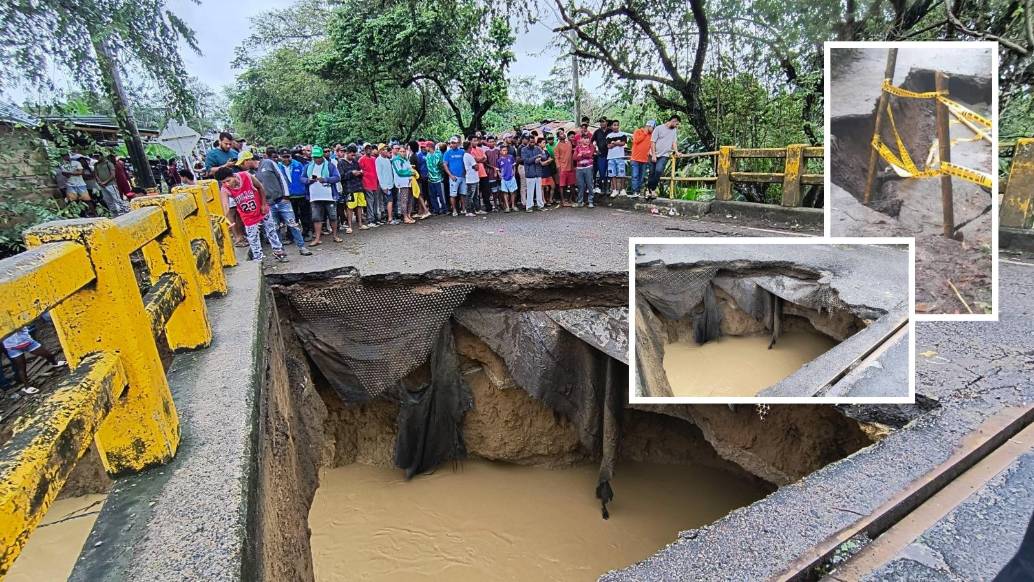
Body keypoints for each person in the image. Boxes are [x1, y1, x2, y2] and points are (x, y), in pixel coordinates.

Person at [243, 149, 311, 255]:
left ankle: (301, 247)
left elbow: (281, 177)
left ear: (248, 160)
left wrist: (286, 195)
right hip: (268, 203)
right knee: (275, 227)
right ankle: (280, 251)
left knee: (292, 224)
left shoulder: (268, 163)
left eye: (243, 163)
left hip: (281, 199)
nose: (243, 166)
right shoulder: (249, 173)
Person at [213, 166, 288, 262]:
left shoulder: (246, 176)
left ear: (234, 176)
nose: (227, 184)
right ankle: (258, 257)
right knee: (253, 237)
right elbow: (225, 205)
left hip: (261, 208)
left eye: (228, 181)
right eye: (223, 182)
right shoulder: (225, 189)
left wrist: (264, 204)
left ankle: (278, 251)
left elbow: (260, 187)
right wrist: (225, 218)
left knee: (271, 230)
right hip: (247, 215)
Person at [2, 327, 65, 396]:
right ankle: (27, 387)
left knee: (48, 354)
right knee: (21, 368)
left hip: (27, 341)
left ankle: (55, 363)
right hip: (12, 347)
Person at [304, 146, 342, 245]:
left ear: (322, 156)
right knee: (316, 218)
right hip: (314, 196)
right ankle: (317, 238)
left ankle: (335, 236)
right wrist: (308, 180)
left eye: (318, 157)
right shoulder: (308, 166)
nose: (316, 159)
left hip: (329, 196)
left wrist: (325, 179)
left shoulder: (330, 165)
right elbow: (302, 178)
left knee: (333, 217)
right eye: (314, 157)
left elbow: (337, 177)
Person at [278, 149, 312, 239]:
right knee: (290, 217)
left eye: (288, 157)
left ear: (291, 156)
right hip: (288, 196)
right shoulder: (278, 167)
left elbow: (305, 177)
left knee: (305, 215)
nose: (286, 159)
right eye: (284, 157)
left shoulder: (298, 164)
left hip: (301, 194)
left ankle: (306, 233)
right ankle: (291, 236)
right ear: (280, 157)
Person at [649, 114, 681, 195]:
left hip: (664, 155)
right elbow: (653, 142)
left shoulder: (674, 130)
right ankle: (649, 191)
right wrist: (653, 155)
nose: (677, 126)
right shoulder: (659, 128)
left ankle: (652, 189)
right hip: (653, 154)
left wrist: (677, 152)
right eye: (676, 124)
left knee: (658, 170)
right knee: (652, 173)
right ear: (673, 121)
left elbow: (674, 142)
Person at [338, 145, 366, 232]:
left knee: (360, 206)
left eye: (354, 155)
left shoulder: (355, 162)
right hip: (349, 188)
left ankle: (360, 224)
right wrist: (351, 173)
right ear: (347, 153)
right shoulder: (341, 163)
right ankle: (349, 226)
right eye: (352, 155)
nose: (353, 156)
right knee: (349, 207)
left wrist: (360, 173)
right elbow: (341, 176)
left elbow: (361, 172)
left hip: (359, 187)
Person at [92, 152, 128, 216]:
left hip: (111, 184)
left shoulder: (108, 163)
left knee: (117, 198)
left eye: (98, 156)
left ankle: (124, 210)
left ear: (102, 156)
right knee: (108, 200)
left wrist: (104, 182)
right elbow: (96, 174)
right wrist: (100, 182)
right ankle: (114, 213)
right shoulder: (96, 165)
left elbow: (113, 175)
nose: (97, 158)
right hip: (102, 185)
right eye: (95, 156)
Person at [631, 120, 656, 198]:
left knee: (641, 177)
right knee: (635, 176)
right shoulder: (638, 131)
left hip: (644, 160)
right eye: (653, 128)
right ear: (649, 126)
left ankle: (638, 191)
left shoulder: (652, 135)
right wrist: (645, 133)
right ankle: (635, 191)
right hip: (635, 158)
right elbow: (636, 141)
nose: (653, 130)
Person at [442, 136, 467, 216]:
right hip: (453, 177)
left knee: (463, 193)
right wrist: (450, 175)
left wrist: (465, 172)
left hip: (462, 176)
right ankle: (454, 210)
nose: (453, 144)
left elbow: (465, 162)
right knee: (453, 195)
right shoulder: (447, 153)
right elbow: (445, 165)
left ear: (458, 143)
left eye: (455, 143)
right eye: (452, 143)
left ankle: (463, 209)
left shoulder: (462, 152)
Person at [358, 144, 382, 227]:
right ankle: (370, 220)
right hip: (367, 183)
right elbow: (359, 171)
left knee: (375, 202)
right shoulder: (361, 159)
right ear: (364, 150)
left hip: (375, 183)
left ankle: (376, 218)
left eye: (369, 148)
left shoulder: (374, 159)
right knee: (370, 202)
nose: (368, 150)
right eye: (366, 148)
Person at [521, 137, 547, 212]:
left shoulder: (538, 148)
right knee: (530, 191)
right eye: (531, 142)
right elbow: (527, 161)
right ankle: (529, 207)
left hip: (538, 172)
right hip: (530, 173)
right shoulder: (524, 150)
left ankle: (540, 206)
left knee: (539, 191)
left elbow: (545, 157)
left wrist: (540, 158)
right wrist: (536, 157)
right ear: (528, 142)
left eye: (533, 142)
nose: (532, 143)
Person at [574, 127, 597, 208]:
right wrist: (581, 156)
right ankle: (580, 201)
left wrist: (581, 155)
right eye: (585, 138)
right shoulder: (577, 148)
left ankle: (590, 201)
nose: (587, 140)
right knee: (580, 186)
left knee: (590, 184)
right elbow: (574, 158)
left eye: (588, 138)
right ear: (581, 139)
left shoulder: (591, 146)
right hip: (579, 169)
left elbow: (590, 155)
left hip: (588, 167)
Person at [606, 120, 628, 198]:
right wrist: (617, 143)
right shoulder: (609, 136)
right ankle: (614, 190)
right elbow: (609, 146)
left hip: (620, 157)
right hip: (611, 157)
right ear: (612, 126)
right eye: (614, 125)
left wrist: (614, 143)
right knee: (612, 174)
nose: (616, 126)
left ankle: (622, 189)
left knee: (622, 173)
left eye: (617, 125)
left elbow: (623, 143)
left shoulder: (623, 134)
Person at [375, 144, 397, 224]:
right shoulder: (378, 160)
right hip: (385, 185)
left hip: (391, 184)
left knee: (390, 201)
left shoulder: (387, 160)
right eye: (383, 149)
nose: (385, 150)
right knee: (389, 201)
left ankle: (388, 216)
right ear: (380, 151)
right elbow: (379, 174)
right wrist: (383, 186)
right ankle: (390, 219)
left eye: (386, 149)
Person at [554, 130, 575, 207]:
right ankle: (563, 201)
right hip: (562, 168)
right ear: (558, 137)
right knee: (562, 185)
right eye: (561, 134)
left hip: (570, 168)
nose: (563, 134)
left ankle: (570, 199)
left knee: (572, 184)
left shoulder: (569, 143)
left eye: (563, 133)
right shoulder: (557, 146)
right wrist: (559, 169)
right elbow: (556, 158)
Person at [424, 142, 446, 214]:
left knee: (441, 195)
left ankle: (444, 209)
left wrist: (441, 175)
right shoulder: (427, 155)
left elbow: (441, 166)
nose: (425, 148)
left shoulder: (438, 154)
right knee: (432, 196)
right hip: (430, 179)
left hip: (439, 178)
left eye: (426, 146)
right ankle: (436, 209)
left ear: (430, 147)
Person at [592, 116, 610, 195]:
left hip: (610, 155)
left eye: (603, 121)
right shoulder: (597, 132)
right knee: (602, 173)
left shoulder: (610, 131)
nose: (602, 123)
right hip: (601, 155)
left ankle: (608, 189)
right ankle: (601, 188)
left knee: (609, 173)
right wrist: (595, 150)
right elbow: (591, 142)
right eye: (601, 122)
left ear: (607, 122)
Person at [497, 144, 517, 212]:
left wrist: (514, 173)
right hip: (504, 178)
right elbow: (498, 169)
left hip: (511, 177)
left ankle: (513, 206)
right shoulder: (499, 160)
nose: (505, 151)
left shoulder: (511, 157)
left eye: (506, 150)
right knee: (505, 192)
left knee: (512, 192)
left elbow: (514, 166)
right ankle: (507, 207)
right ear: (500, 151)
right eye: (503, 150)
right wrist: (500, 175)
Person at [462, 141, 480, 217]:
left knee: (475, 196)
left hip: (473, 178)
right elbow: (476, 167)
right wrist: (476, 165)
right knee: (470, 196)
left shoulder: (466, 155)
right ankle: (469, 211)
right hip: (471, 178)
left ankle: (477, 209)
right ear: (469, 147)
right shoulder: (468, 156)